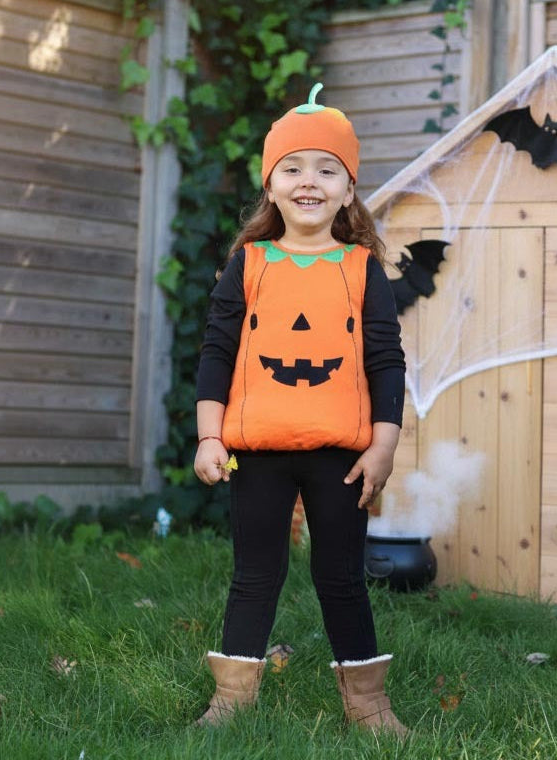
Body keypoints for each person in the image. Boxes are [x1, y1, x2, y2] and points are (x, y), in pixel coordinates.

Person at [191, 83, 408, 736]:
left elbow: (386, 360)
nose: (308, 181)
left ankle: (369, 707)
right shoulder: (249, 265)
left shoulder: (362, 270)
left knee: (341, 576)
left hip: (342, 454)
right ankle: (231, 702)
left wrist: (384, 445)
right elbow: (217, 351)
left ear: (348, 190)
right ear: (271, 186)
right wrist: (209, 437)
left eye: (326, 169)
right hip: (256, 451)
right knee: (255, 574)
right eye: (292, 168)